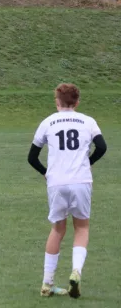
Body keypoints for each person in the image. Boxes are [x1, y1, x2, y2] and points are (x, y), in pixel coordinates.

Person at [28, 83, 107, 298]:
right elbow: (102, 147)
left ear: (57, 101)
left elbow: (31, 157)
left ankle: (47, 284)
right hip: (81, 181)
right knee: (81, 228)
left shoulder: (48, 122)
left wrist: (46, 172)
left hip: (56, 183)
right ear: (77, 102)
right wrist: (87, 163)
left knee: (57, 229)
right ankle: (76, 271)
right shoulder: (88, 121)